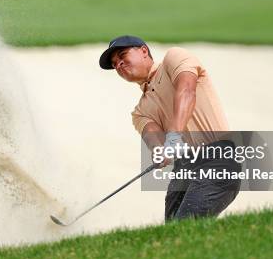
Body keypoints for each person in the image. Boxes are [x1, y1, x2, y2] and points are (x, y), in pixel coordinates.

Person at [99, 35, 241, 222]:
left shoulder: (174, 58)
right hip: (184, 168)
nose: (119, 64)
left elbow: (186, 91)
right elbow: (152, 137)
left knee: (185, 226)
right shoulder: (140, 112)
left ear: (143, 51)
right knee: (171, 233)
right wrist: (159, 152)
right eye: (115, 64)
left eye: (123, 55)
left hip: (218, 158)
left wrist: (173, 138)